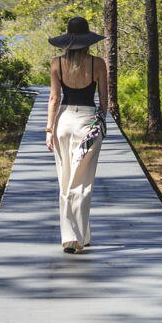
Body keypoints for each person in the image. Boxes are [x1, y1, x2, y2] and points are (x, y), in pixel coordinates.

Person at [45, 16, 109, 254]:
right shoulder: (98, 64)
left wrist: (49, 130)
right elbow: (104, 101)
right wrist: (99, 123)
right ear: (88, 40)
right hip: (87, 122)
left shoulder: (56, 63)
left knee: (66, 180)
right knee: (82, 182)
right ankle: (76, 238)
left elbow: (54, 98)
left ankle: (76, 235)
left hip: (62, 122)